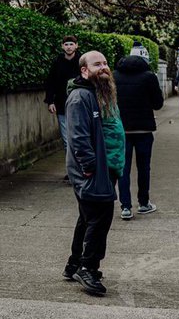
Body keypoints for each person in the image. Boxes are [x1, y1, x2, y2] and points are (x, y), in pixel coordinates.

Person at [63, 50, 126, 296]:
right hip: (92, 170)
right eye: (96, 64)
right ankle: (88, 268)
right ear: (84, 70)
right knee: (100, 219)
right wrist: (90, 168)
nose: (103, 67)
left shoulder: (99, 91)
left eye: (105, 63)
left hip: (104, 167)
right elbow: (78, 138)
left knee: (88, 217)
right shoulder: (80, 97)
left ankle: (74, 263)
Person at [114, 46, 164, 220]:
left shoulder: (115, 75)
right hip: (144, 129)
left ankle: (125, 207)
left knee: (123, 169)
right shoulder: (149, 76)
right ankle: (143, 203)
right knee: (143, 168)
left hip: (121, 129)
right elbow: (158, 104)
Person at [44, 35, 80, 174]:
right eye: (66, 44)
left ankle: (82, 168)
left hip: (79, 106)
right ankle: (72, 171)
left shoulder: (81, 61)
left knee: (79, 138)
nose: (69, 47)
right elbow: (50, 82)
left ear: (76, 46)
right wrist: (50, 101)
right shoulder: (57, 62)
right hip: (61, 105)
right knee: (67, 140)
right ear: (62, 46)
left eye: (71, 44)